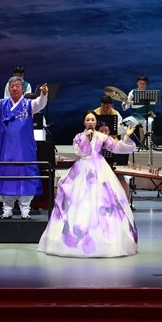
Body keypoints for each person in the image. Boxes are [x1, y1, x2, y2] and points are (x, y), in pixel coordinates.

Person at [38, 110, 138, 258]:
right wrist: (87, 138)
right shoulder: (78, 137)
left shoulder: (102, 137)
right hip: (82, 168)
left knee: (104, 199)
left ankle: (106, 239)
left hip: (100, 168)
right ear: (84, 122)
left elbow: (117, 148)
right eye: (87, 119)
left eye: (92, 119)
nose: (90, 122)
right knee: (77, 199)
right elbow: (81, 152)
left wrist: (127, 137)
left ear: (96, 122)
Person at [0, 78, 49, 219]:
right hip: (6, 147)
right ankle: (7, 208)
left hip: (24, 148)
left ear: (23, 89)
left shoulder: (29, 104)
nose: (15, 88)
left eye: (17, 86)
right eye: (12, 86)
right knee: (6, 174)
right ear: (8, 88)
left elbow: (40, 103)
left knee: (26, 174)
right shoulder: (2, 104)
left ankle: (25, 208)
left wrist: (43, 94)